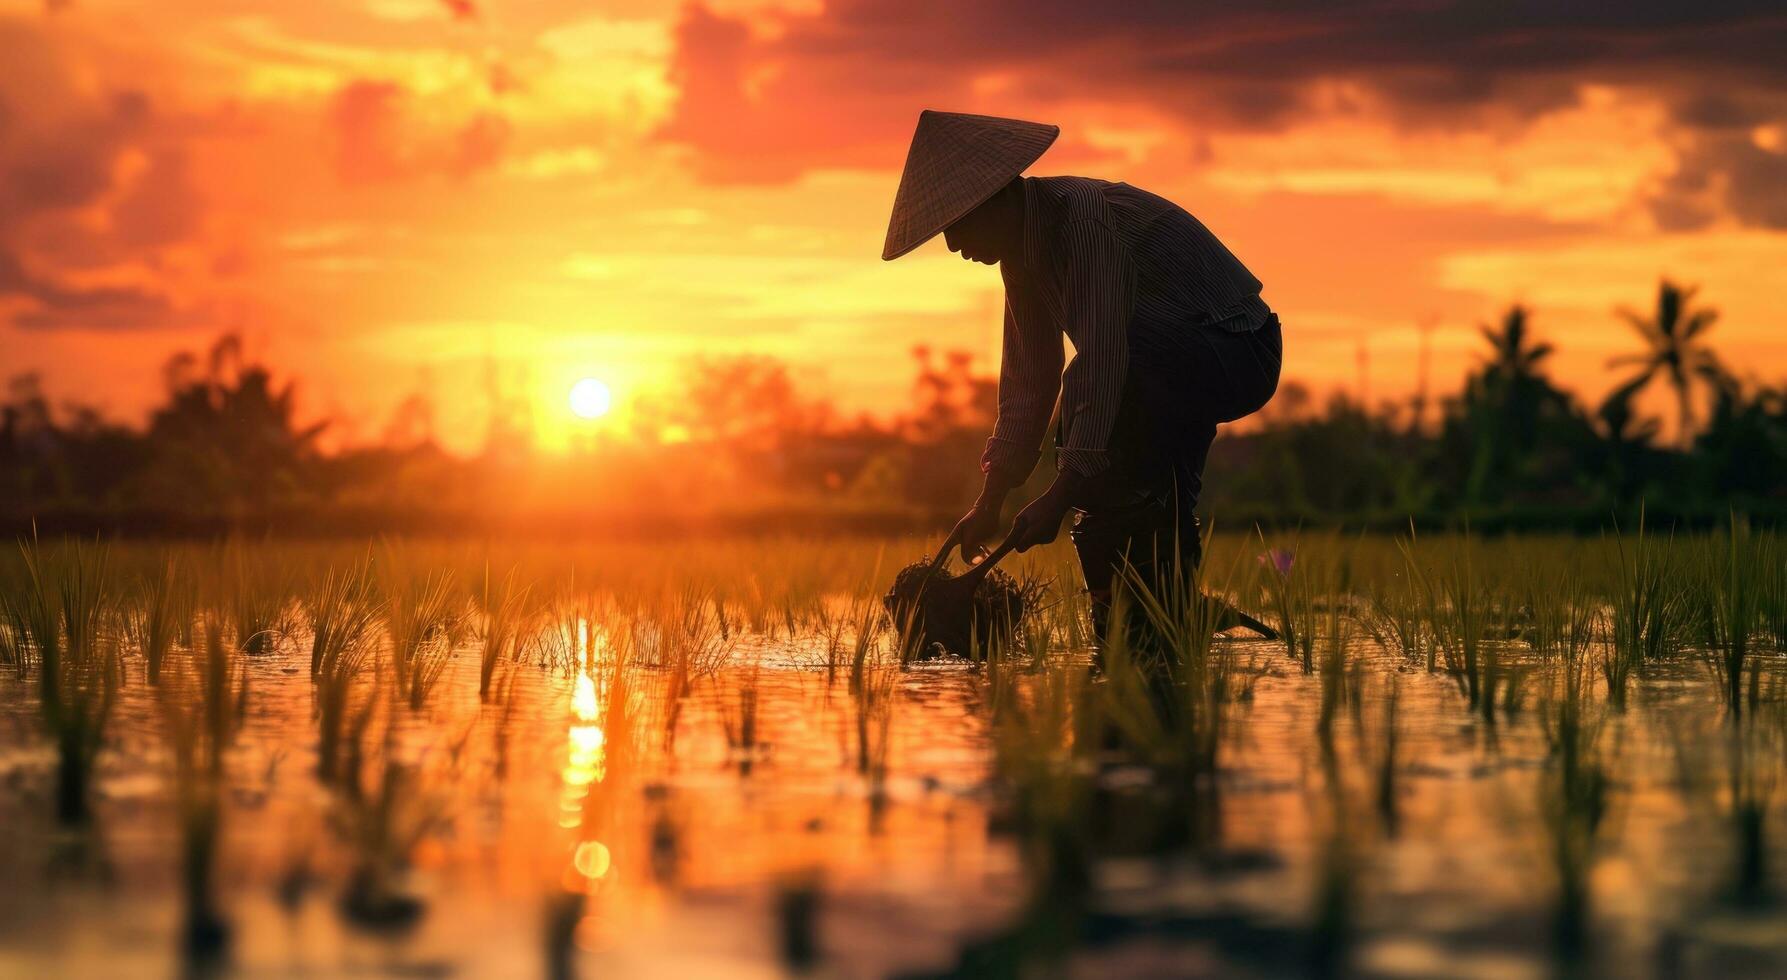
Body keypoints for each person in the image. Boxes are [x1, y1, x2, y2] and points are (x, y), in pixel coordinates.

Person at [881, 109, 1282, 651]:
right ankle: (1150, 618)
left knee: (1098, 423)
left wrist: (1062, 493)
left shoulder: (1084, 224)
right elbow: (1028, 379)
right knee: (1139, 482)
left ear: (997, 197)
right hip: (1160, 372)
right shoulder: (1022, 257)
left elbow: (1102, 358)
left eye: (957, 225)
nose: (953, 246)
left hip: (1236, 350)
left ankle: (1150, 614)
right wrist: (992, 498)